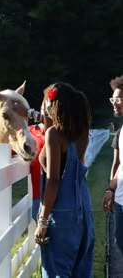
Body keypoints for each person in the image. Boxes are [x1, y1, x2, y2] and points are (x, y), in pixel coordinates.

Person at [34, 82, 95, 278]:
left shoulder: (54, 135)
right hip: (84, 208)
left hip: (61, 212)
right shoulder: (83, 132)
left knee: (56, 270)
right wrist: (47, 119)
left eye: (45, 103)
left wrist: (43, 220)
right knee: (81, 270)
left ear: (53, 105)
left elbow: (54, 180)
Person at [101, 75, 123, 256]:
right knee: (119, 240)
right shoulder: (121, 132)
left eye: (118, 99)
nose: (114, 103)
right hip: (120, 200)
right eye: (113, 99)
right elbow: (118, 164)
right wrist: (110, 189)